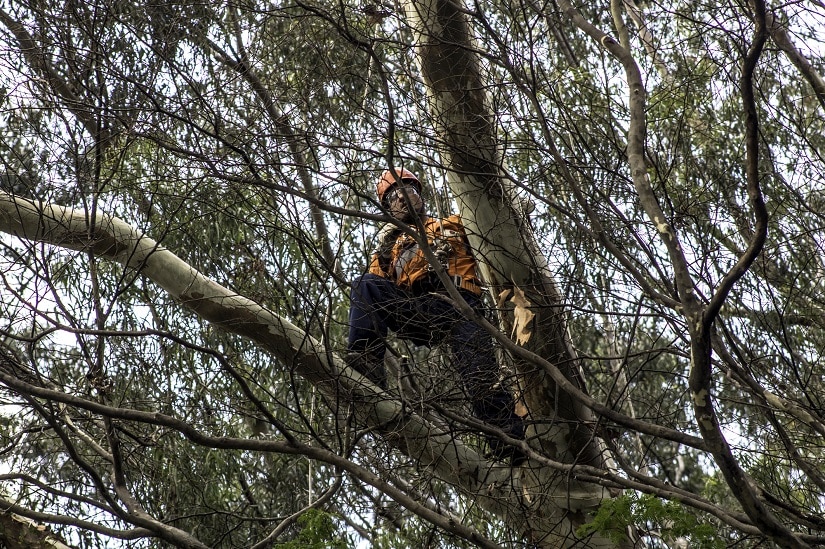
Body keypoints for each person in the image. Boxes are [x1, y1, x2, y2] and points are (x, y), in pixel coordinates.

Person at [347, 167, 526, 463]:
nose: (404, 198)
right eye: (394, 196)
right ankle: (366, 364)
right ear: (387, 208)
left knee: (480, 377)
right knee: (365, 285)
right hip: (421, 310)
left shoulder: (454, 225)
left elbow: (498, 222)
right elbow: (372, 296)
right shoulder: (387, 253)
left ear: (421, 197)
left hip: (462, 307)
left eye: (410, 191)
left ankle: (508, 442)